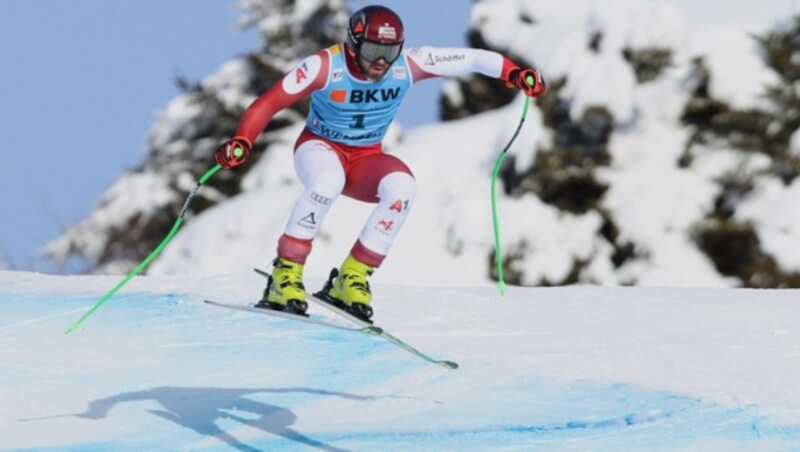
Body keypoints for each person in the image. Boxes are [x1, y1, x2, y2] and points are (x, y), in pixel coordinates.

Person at [214, 5, 546, 323]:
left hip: (365, 157)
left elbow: (472, 58)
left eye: (391, 51)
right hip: (318, 147)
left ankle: (351, 279)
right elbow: (269, 102)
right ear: (353, 43)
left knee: (403, 187)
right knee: (327, 180)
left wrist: (513, 73)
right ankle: (284, 276)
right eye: (374, 51)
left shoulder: (408, 64)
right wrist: (242, 140)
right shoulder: (325, 66)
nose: (382, 62)